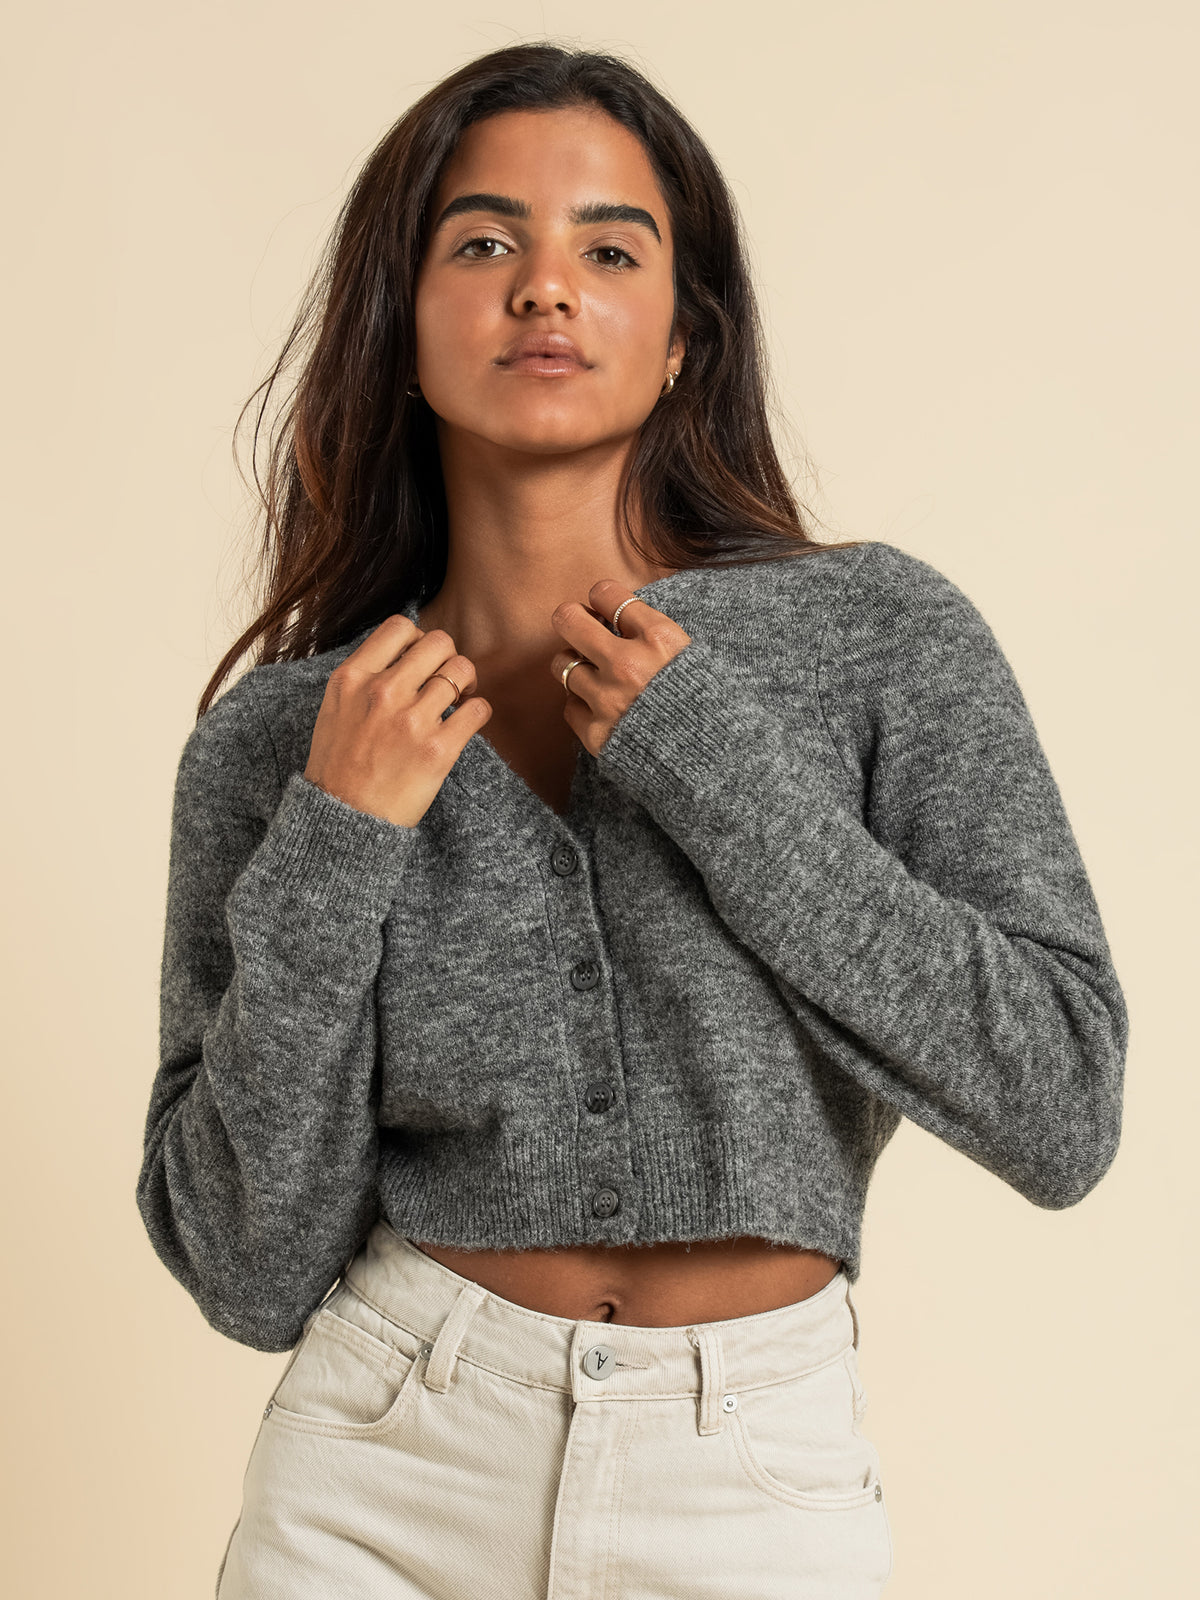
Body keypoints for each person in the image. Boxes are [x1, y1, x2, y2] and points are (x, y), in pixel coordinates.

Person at [135, 41, 1128, 1599]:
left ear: (682, 339)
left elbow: (1060, 1106)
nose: (547, 287)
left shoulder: (876, 639)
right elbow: (246, 1269)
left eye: (610, 251)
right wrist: (338, 841)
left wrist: (718, 774)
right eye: (484, 244)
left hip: (753, 1477)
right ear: (401, 324)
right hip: (381, 1480)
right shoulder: (285, 742)